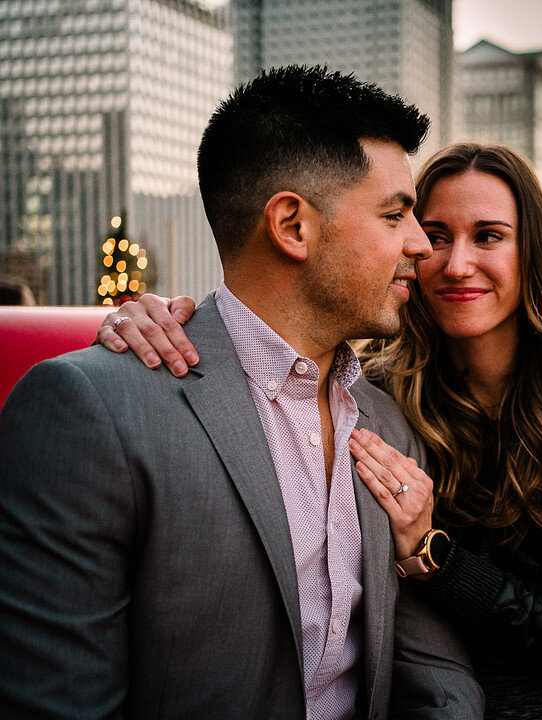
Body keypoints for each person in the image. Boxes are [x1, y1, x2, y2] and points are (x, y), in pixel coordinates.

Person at [98, 144, 542, 720]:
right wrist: (146, 319)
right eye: (437, 234)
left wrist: (436, 559)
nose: (455, 264)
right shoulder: (372, 399)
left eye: (489, 236)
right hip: (439, 695)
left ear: (533, 252)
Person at [0, 66, 482, 720]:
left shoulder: (390, 426)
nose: (422, 246)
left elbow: (430, 671)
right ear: (293, 226)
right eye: (396, 215)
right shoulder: (93, 412)